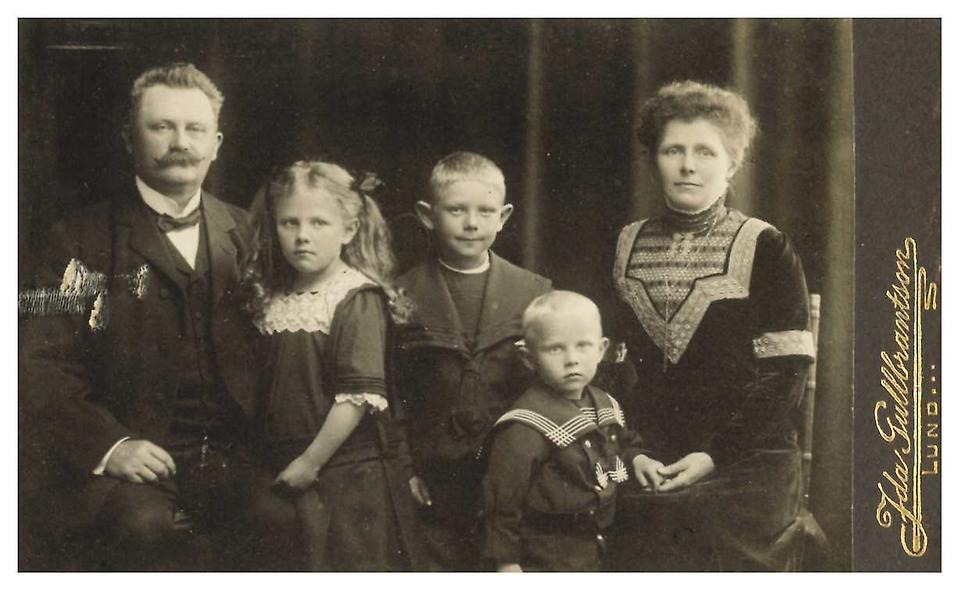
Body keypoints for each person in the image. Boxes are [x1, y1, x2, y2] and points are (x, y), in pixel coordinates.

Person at [19, 62, 259, 570]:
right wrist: (113, 445)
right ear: (129, 138)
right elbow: (38, 364)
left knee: (284, 519)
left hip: (234, 459)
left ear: (216, 142)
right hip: (132, 466)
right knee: (146, 531)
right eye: (161, 127)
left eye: (194, 129)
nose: (180, 142)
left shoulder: (248, 232)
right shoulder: (78, 240)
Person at [608, 80, 816, 571]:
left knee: (701, 535)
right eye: (672, 150)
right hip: (647, 456)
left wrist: (712, 455)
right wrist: (632, 450)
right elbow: (606, 368)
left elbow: (786, 377)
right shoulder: (625, 243)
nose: (687, 165)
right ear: (653, 158)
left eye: (705, 151)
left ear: (732, 163)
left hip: (748, 461)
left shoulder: (766, 245)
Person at [241, 160, 415, 571]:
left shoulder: (354, 297)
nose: (303, 236)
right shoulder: (273, 296)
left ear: (349, 230)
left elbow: (356, 399)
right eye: (290, 223)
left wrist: (310, 462)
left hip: (344, 475)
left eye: (319, 223)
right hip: (286, 468)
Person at [394, 151, 552, 570]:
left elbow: (551, 387)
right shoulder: (399, 295)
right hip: (434, 478)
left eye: (485, 211)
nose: (471, 223)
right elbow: (390, 393)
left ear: (504, 216)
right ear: (428, 215)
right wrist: (404, 468)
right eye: (456, 210)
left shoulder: (533, 291)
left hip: (512, 477)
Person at [482, 291, 646, 572]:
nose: (572, 360)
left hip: (598, 545)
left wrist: (640, 460)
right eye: (555, 349)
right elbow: (502, 503)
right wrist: (507, 563)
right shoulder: (525, 425)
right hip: (546, 555)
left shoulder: (605, 404)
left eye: (583, 346)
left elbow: (617, 448)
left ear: (601, 349)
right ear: (528, 358)